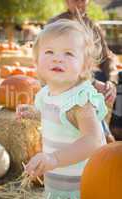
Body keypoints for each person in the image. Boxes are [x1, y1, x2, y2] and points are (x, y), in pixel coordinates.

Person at [16, 19, 107, 199]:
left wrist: (54, 159)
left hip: (83, 185)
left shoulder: (80, 101)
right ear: (36, 62)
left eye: (68, 53)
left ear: (85, 67)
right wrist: (35, 114)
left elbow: (93, 140)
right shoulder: (45, 94)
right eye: (49, 52)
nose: (57, 58)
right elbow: (57, 117)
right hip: (56, 181)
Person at [48, 0, 117, 142]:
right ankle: (104, 136)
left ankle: (114, 130)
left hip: (89, 76)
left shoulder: (94, 27)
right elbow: (58, 61)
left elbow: (107, 57)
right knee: (83, 92)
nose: (79, 3)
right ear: (66, 1)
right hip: (63, 77)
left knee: (115, 83)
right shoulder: (56, 25)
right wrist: (92, 82)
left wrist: (111, 81)